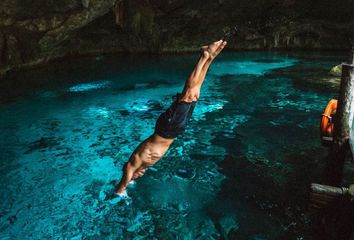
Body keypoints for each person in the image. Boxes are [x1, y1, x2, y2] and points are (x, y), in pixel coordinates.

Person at [115, 40, 227, 194]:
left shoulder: (134, 163)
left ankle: (204, 56)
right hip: (173, 130)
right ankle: (210, 57)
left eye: (136, 176)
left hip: (167, 128)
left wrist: (122, 188)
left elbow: (124, 177)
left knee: (188, 93)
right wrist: (135, 178)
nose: (139, 175)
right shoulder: (143, 165)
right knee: (195, 94)